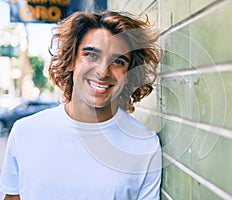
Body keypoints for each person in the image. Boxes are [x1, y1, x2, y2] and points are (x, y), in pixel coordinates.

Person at [0, 10, 162, 200]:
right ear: (71, 61)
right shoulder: (24, 132)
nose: (103, 72)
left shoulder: (144, 146)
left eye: (118, 61)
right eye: (91, 55)